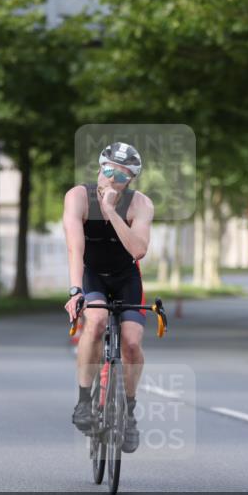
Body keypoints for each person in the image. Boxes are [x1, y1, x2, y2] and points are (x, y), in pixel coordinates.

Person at [63, 142, 155, 453]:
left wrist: (112, 211)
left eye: (123, 175)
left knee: (132, 342)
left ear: (131, 180)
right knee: (97, 319)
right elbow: (75, 248)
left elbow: (138, 250)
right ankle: (83, 401)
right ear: (99, 167)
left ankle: (128, 412)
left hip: (126, 276)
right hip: (92, 274)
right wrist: (76, 291)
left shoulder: (141, 204)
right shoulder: (78, 197)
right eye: (109, 171)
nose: (113, 179)